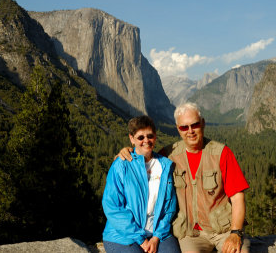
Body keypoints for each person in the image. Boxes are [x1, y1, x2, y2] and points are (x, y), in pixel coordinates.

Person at [118, 103, 250, 253]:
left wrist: (235, 232)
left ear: (203, 123)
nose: (190, 131)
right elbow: (145, 155)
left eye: (195, 125)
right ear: (178, 129)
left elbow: (238, 197)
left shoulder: (222, 153)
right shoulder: (168, 156)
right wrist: (128, 152)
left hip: (224, 231)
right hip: (190, 234)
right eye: (184, 127)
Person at [102, 115, 181, 253]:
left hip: (157, 233)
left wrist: (156, 237)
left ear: (155, 137)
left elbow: (169, 208)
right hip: (122, 236)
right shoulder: (121, 165)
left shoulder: (165, 165)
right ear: (131, 139)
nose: (146, 141)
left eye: (150, 136)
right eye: (140, 137)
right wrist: (141, 240)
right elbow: (112, 206)